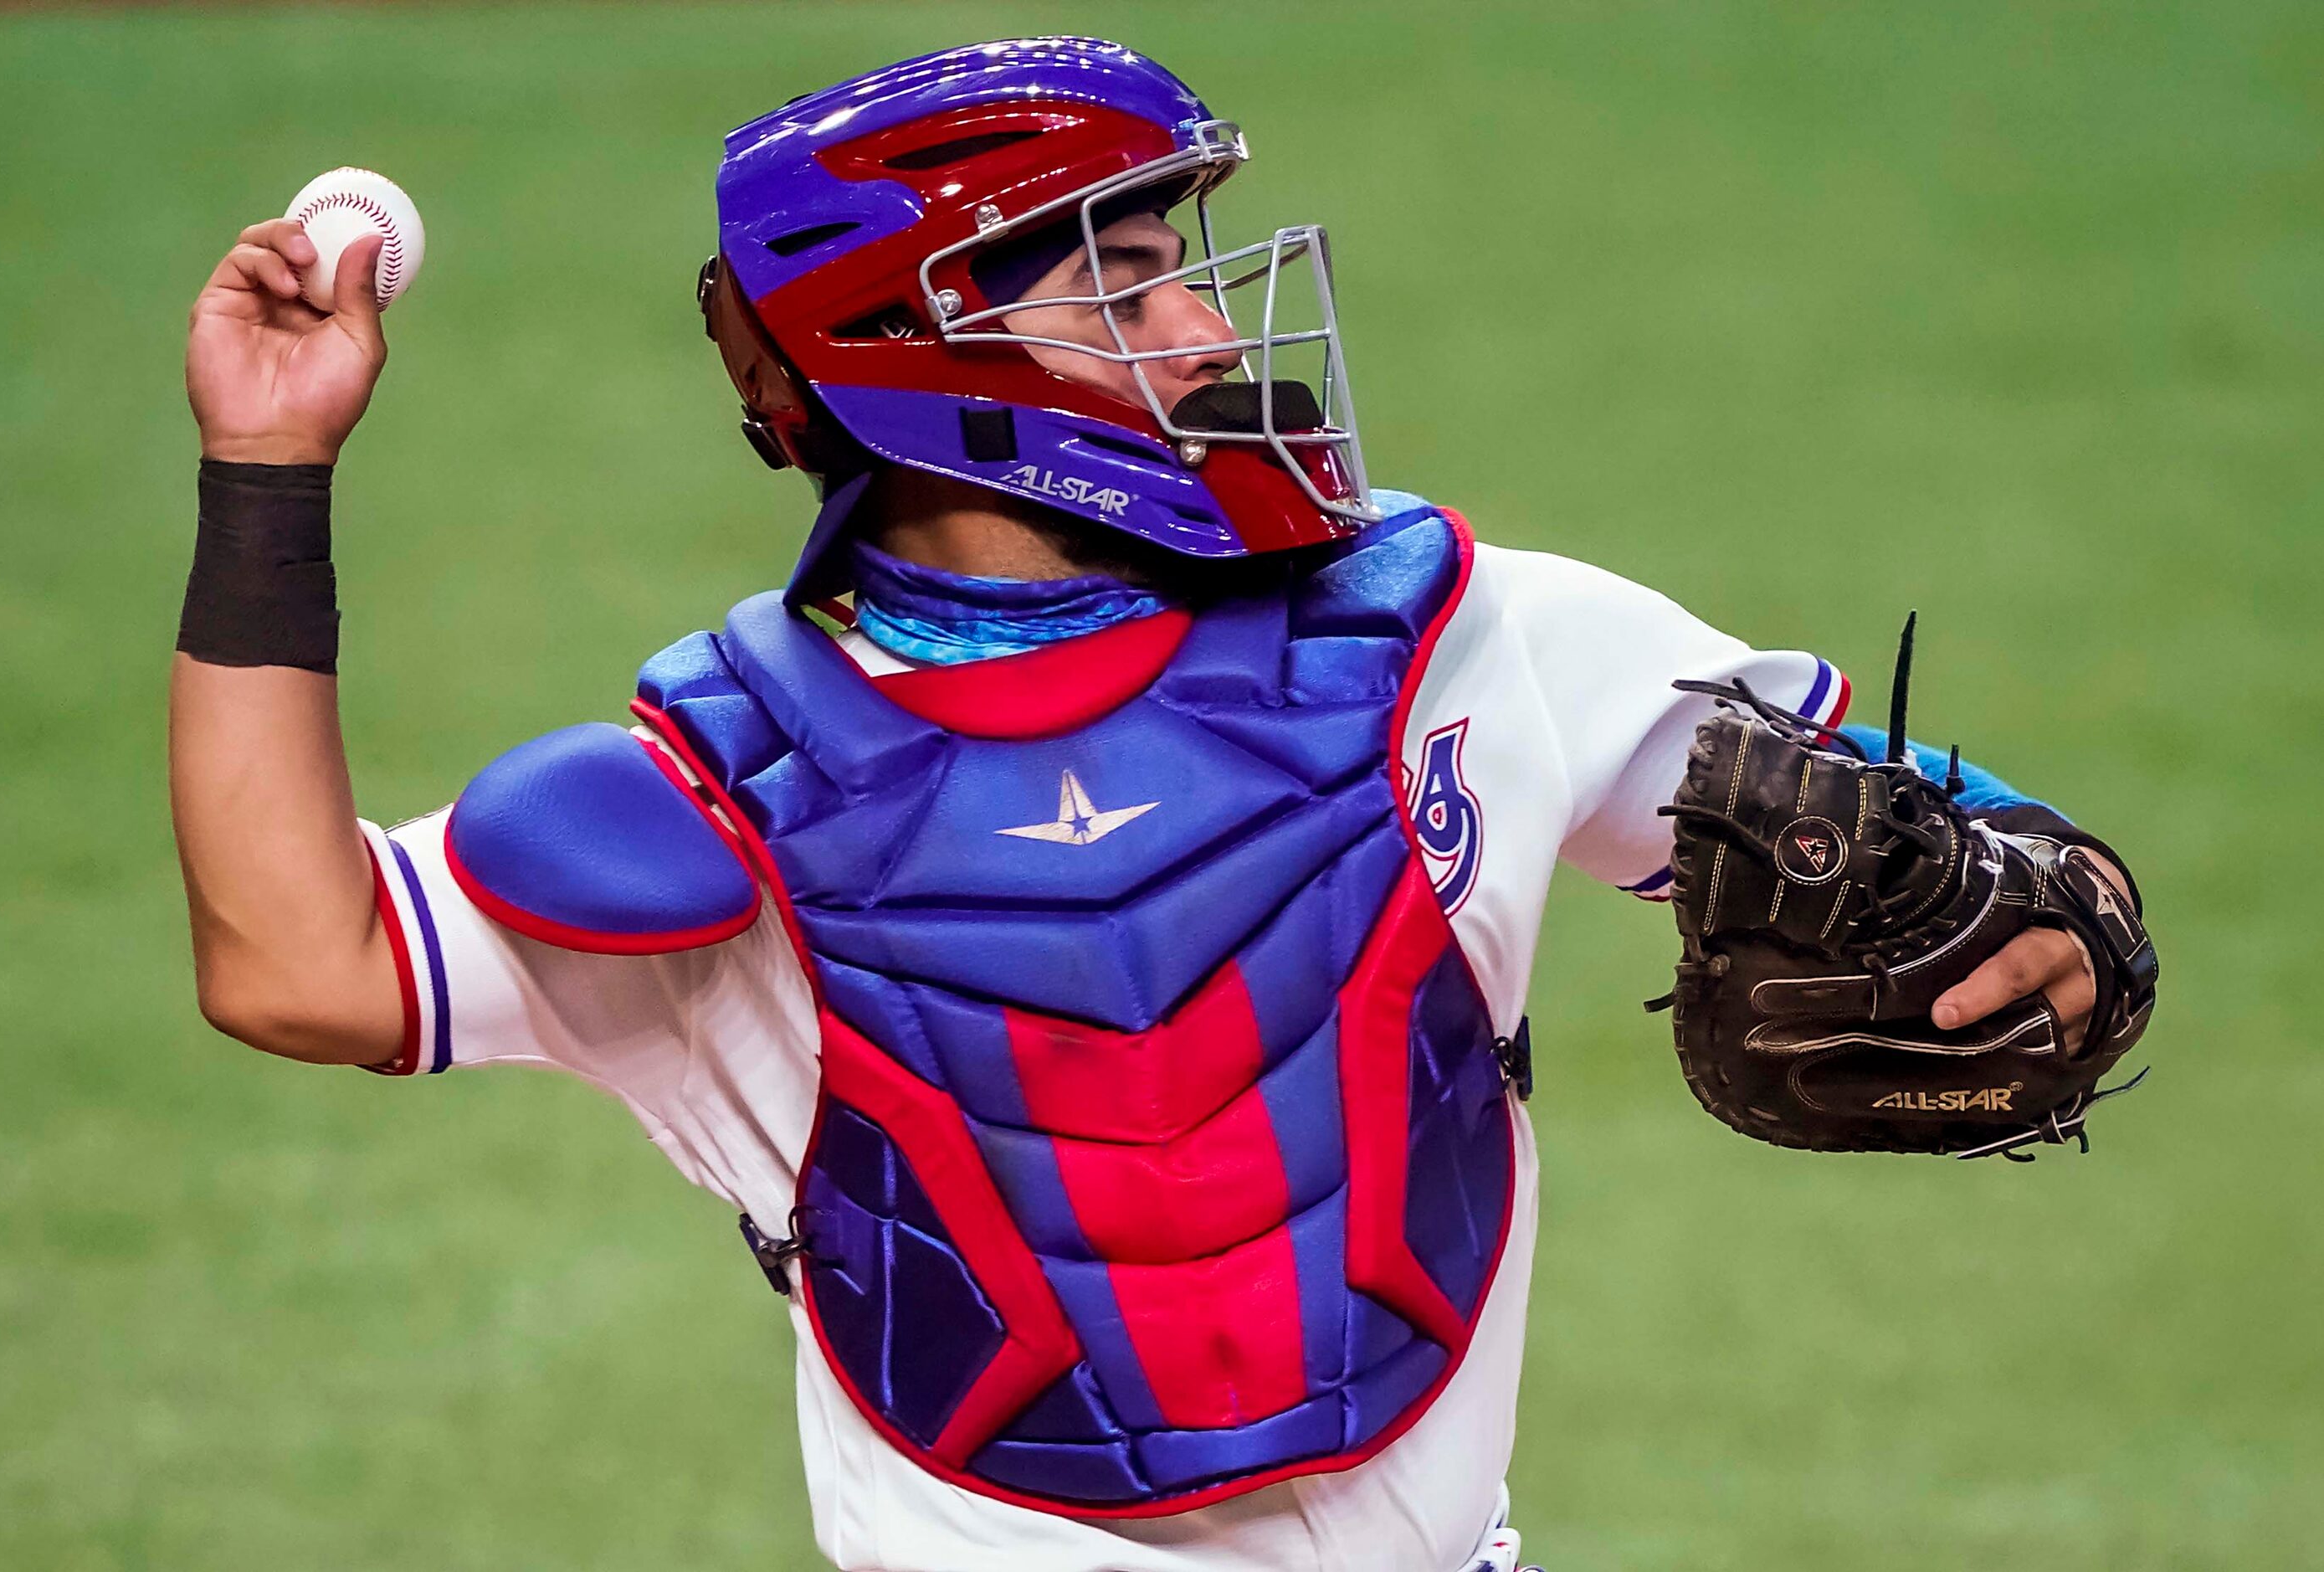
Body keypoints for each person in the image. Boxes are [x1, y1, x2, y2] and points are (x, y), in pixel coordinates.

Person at [172, 37, 2137, 1572]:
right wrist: (268, 475)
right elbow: (297, 961)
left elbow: (1919, 826)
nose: (1201, 333)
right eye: (1123, 289)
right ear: (917, 360)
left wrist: (2053, 894)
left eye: (1181, 272)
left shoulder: (1450, 629)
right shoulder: (725, 787)